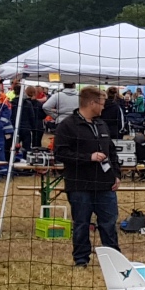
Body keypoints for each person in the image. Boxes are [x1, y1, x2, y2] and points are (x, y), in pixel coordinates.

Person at [51, 87, 123, 268]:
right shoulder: (67, 125)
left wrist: (116, 174)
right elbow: (60, 153)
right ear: (92, 103)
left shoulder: (102, 124)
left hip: (105, 185)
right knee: (82, 224)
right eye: (102, 103)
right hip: (79, 185)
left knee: (109, 223)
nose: (104, 107)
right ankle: (81, 260)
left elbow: (111, 152)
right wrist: (88, 157)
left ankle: (113, 261)